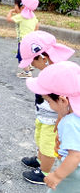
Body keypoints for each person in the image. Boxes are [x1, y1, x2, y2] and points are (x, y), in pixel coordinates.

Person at [18, 31, 75, 185]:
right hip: (43, 116)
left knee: (48, 145)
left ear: (43, 58)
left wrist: (60, 120)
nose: (32, 66)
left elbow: (67, 103)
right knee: (40, 139)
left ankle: (44, 172)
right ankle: (39, 159)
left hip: (53, 120)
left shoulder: (61, 74)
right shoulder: (49, 71)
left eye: (32, 62)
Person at [25, 61, 80, 192]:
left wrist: (56, 175)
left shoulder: (70, 122)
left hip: (73, 170)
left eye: (48, 101)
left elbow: (75, 156)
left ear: (62, 100)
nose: (48, 104)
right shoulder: (74, 114)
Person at [6, 0, 39, 78]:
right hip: (31, 40)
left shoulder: (21, 16)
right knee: (29, 54)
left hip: (23, 41)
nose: (14, 7)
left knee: (21, 57)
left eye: (15, 5)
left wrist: (10, 11)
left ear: (22, 7)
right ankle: (29, 66)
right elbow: (37, 25)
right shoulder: (33, 15)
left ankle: (27, 72)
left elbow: (8, 19)